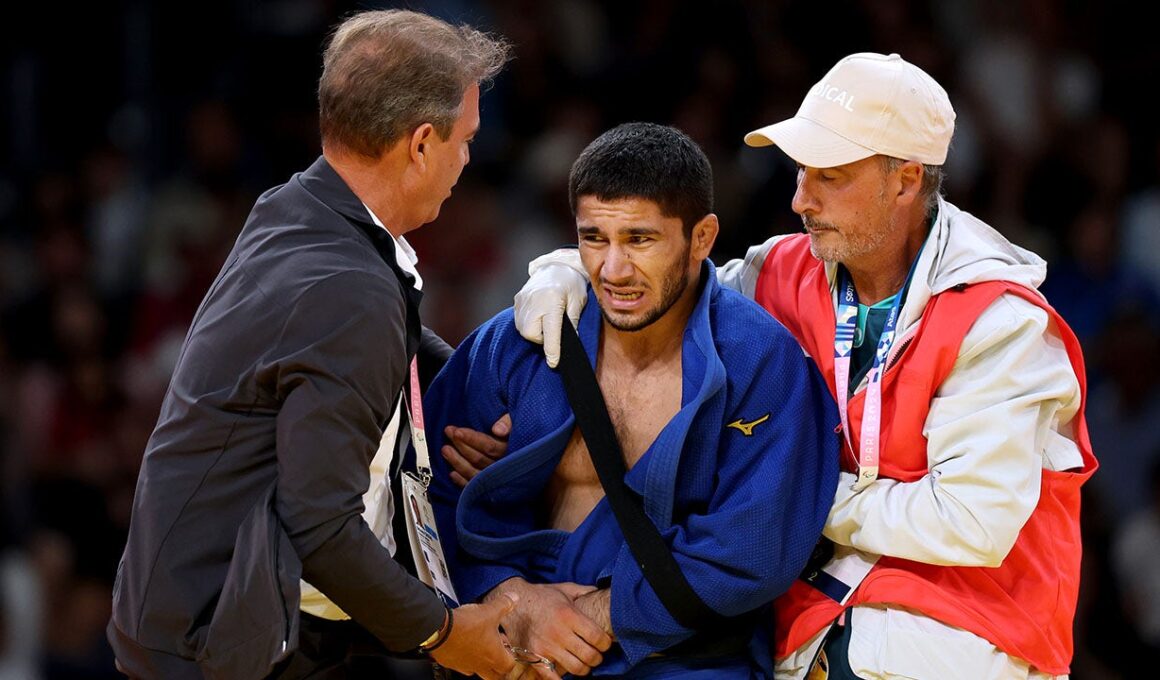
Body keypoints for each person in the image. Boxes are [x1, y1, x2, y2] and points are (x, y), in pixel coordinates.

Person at [505, 53, 1097, 679]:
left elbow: (970, 522)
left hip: (963, 643)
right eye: (800, 172)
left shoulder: (1001, 323)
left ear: (906, 181)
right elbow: (665, 285)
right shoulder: (782, 271)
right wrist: (562, 270)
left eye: (830, 177)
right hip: (806, 635)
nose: (799, 199)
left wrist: (777, 493)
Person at [107, 10, 521, 680]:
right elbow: (320, 526)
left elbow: (399, 343)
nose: (468, 159)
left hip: (221, 621)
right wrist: (446, 636)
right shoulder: (349, 291)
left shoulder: (299, 207)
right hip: (215, 652)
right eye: (465, 138)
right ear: (420, 144)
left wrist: (481, 396)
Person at [423, 122, 840, 679]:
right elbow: (424, 495)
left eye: (639, 240)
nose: (613, 270)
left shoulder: (760, 360)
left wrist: (598, 614)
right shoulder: (519, 342)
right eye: (594, 239)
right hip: (516, 652)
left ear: (702, 237)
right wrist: (512, 600)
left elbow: (755, 546)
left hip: (685, 662)